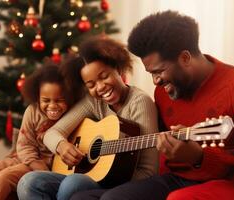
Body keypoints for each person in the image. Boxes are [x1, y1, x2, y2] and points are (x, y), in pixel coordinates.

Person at [69, 10, 234, 200]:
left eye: (159, 71)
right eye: (151, 73)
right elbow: (158, 143)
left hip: (232, 182)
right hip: (177, 178)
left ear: (185, 58)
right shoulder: (163, 92)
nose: (155, 81)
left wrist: (201, 157)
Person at [17, 36, 159, 200]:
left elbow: (149, 171)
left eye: (104, 76)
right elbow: (52, 133)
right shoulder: (94, 102)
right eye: (91, 85)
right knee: (28, 182)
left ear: (118, 69)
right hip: (86, 175)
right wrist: (62, 146)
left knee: (72, 183)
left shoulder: (139, 102)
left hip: (118, 183)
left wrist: (109, 174)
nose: (100, 87)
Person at [0, 62, 81, 200]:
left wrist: (41, 168)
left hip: (45, 167)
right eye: (46, 100)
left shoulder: (74, 115)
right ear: (37, 97)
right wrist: (33, 162)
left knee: (2, 179)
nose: (52, 106)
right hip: (25, 158)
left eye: (60, 100)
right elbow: (25, 144)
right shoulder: (32, 111)